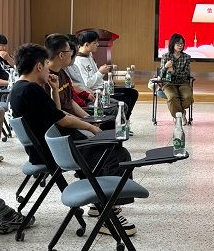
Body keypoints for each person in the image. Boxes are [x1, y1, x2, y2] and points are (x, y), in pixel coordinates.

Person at [10, 43, 137, 235]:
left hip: (48, 148)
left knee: (105, 148)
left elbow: (56, 113)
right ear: (39, 66)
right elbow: (62, 120)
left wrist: (54, 90)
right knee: (116, 154)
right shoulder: (31, 90)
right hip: (56, 151)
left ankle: (99, 204)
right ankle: (108, 215)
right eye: (46, 64)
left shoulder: (19, 89)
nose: (48, 69)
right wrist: (91, 127)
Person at [73, 30, 137, 121]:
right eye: (95, 43)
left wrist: (103, 73)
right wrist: (100, 72)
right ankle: (121, 122)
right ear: (86, 44)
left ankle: (124, 120)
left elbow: (95, 75)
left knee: (133, 93)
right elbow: (87, 84)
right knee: (125, 101)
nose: (98, 44)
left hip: (103, 87)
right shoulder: (78, 61)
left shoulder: (89, 55)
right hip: (97, 91)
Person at [44, 34, 90, 119]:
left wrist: (88, 118)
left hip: (74, 119)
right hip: (64, 122)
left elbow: (70, 101)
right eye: (70, 51)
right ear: (61, 55)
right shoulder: (46, 78)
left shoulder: (62, 72)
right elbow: (58, 114)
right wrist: (85, 122)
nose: (72, 54)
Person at [160, 33, 194, 125]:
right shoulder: (166, 56)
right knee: (172, 97)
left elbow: (186, 74)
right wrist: (165, 67)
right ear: (172, 44)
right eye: (178, 43)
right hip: (168, 83)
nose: (180, 45)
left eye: (182, 43)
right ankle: (180, 115)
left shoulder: (186, 57)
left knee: (188, 97)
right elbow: (161, 75)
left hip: (183, 83)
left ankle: (178, 112)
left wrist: (173, 72)